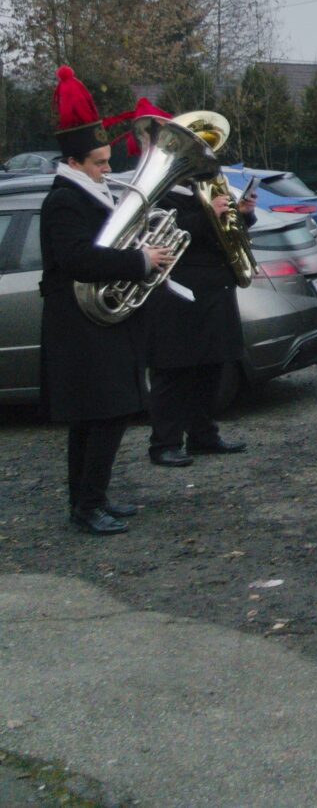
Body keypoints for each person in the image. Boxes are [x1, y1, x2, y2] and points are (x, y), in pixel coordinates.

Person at [39, 68, 176, 534]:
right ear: (73, 162)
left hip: (99, 324)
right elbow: (76, 258)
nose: (107, 169)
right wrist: (139, 261)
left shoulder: (89, 191)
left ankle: (89, 499)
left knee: (98, 417)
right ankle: (87, 505)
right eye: (98, 163)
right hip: (80, 325)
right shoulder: (64, 200)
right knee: (103, 415)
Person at [144, 102, 258, 466]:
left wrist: (242, 215)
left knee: (212, 367)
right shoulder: (157, 194)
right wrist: (211, 215)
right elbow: (166, 236)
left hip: (215, 289)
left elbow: (225, 235)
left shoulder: (202, 189)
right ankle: (164, 442)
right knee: (174, 372)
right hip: (180, 292)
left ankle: (203, 435)